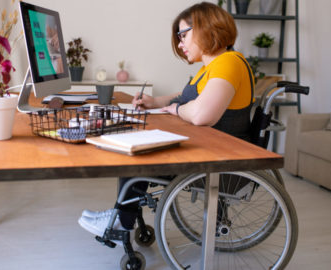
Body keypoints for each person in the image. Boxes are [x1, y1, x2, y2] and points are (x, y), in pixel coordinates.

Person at [78, 2, 254, 237]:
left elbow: (202, 114)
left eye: (183, 35)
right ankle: (121, 215)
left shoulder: (229, 63)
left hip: (220, 161)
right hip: (208, 149)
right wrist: (158, 102)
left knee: (135, 149)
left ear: (206, 28)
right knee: (135, 139)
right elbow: (187, 96)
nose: (180, 44)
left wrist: (176, 109)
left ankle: (121, 224)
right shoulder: (211, 66)